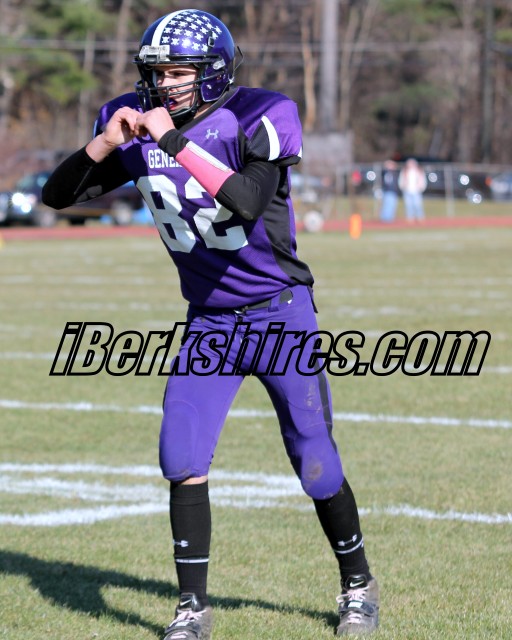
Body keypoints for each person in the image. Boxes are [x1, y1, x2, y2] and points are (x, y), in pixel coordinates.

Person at [42, 9, 379, 639]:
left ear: (213, 72)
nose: (165, 83)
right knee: (181, 453)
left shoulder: (260, 113)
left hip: (280, 314)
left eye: (178, 72)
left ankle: (357, 584)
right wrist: (105, 144)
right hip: (210, 325)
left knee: (315, 461)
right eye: (157, 72)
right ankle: (192, 607)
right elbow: (57, 197)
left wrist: (173, 142)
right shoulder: (133, 123)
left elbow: (247, 201)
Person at [398, 157, 427, 222]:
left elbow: (423, 181)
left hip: (416, 190)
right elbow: (401, 180)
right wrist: (402, 187)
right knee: (408, 205)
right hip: (407, 190)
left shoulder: (419, 171)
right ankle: (410, 218)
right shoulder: (404, 171)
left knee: (417, 204)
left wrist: (422, 188)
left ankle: (420, 217)